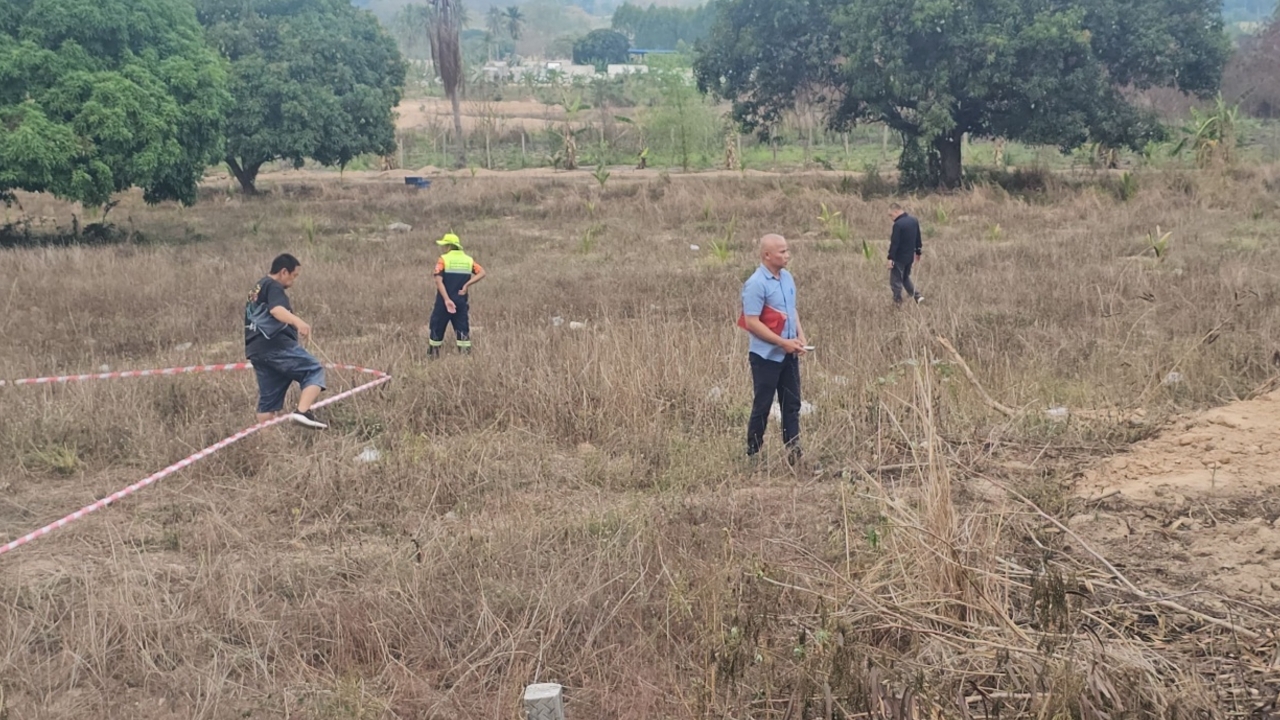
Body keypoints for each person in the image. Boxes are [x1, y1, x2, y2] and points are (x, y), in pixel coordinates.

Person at [739, 234, 808, 463]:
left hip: (788, 354)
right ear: (767, 255)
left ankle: (794, 451)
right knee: (763, 404)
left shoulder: (787, 278)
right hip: (766, 356)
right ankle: (753, 452)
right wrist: (782, 342)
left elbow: (791, 310)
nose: (786, 255)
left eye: (787, 250)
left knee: (792, 403)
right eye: (781, 252)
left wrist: (799, 336)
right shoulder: (756, 284)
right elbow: (752, 322)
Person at [244, 253, 327, 429]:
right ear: (283, 272)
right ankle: (302, 412)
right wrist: (298, 322)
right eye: (293, 275)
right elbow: (276, 310)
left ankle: (267, 443)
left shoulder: (257, 288)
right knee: (314, 369)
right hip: (277, 346)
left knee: (268, 401)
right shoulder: (274, 286)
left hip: (257, 351)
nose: (293, 280)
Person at [429, 233, 486, 357]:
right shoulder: (468, 260)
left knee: (436, 328)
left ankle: (433, 356)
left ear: (449, 246)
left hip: (444, 302)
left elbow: (438, 281)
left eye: (444, 245)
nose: (443, 248)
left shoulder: (443, 259)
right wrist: (467, 285)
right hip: (460, 301)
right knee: (462, 330)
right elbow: (482, 272)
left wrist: (446, 299)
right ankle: (465, 358)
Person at [887, 202, 924, 305]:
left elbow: (895, 243)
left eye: (891, 215)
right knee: (905, 277)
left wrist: (891, 259)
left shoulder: (898, 225)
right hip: (909, 257)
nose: (891, 218)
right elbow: (918, 237)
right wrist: (918, 251)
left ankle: (897, 302)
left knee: (895, 281)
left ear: (896, 211)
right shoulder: (913, 220)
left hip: (898, 258)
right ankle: (918, 296)